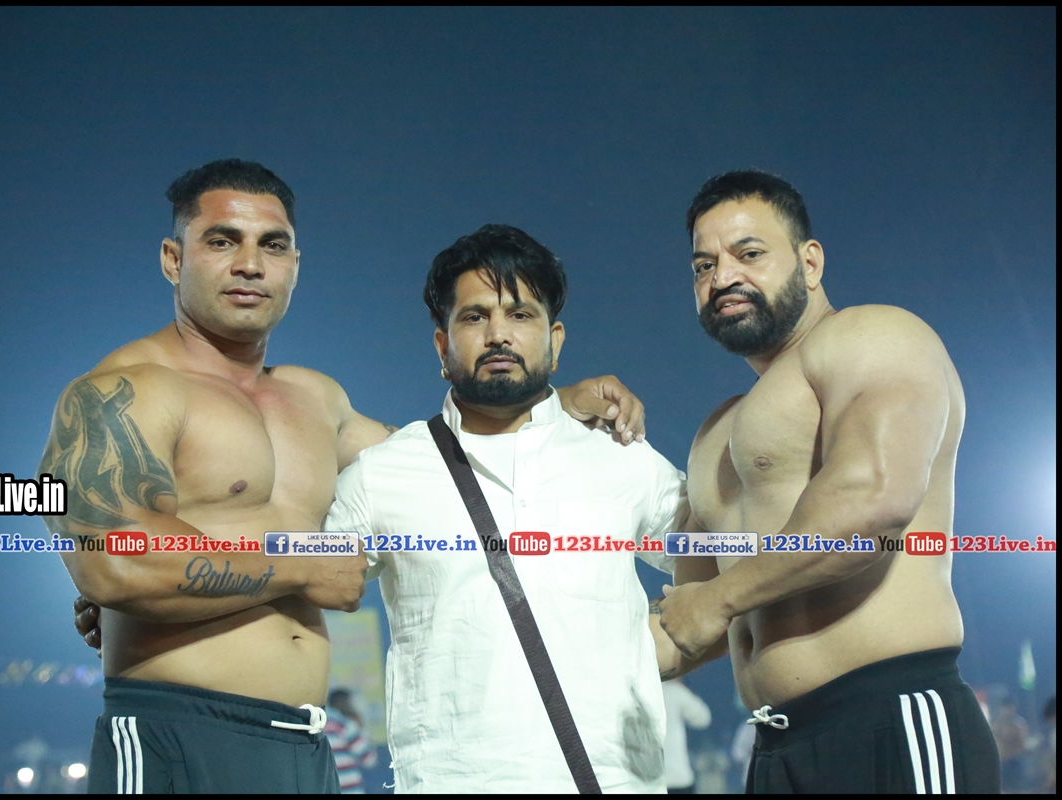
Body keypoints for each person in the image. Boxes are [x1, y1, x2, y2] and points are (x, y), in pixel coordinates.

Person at [52, 158, 648, 793]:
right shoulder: (126, 390)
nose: (250, 264)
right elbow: (113, 562)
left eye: (272, 245)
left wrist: (543, 405)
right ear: (174, 259)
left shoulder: (316, 400)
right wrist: (301, 569)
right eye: (222, 241)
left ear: (294, 266)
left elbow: (442, 472)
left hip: (307, 743)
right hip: (178, 731)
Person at [656, 170, 1001, 793]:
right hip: (775, 748)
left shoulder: (873, 336)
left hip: (890, 716)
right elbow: (687, 623)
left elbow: (871, 507)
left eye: (749, 253)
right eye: (704, 266)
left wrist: (717, 601)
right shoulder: (713, 435)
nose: (723, 277)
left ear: (810, 262)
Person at [324, 224, 688, 792]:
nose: (498, 334)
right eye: (475, 317)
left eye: (520, 315)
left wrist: (653, 649)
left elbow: (725, 563)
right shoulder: (382, 475)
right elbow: (311, 583)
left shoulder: (622, 458)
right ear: (442, 345)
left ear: (555, 341)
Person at [661, 677, 712, 793]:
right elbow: (702, 718)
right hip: (677, 778)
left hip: (640, 782)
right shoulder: (673, 690)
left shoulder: (629, 692)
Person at [324, 688, 378, 793]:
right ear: (346, 704)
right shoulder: (346, 726)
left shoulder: (318, 726)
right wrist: (360, 728)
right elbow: (369, 759)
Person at [990, 698, 1030, 791]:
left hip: (1015, 759)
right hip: (1001, 760)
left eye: (1010, 708)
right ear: (1001, 708)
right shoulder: (996, 723)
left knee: (1017, 786)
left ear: (1014, 708)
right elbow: (994, 739)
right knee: (1003, 787)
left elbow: (1022, 742)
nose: (1007, 711)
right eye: (1005, 708)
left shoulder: (1019, 723)